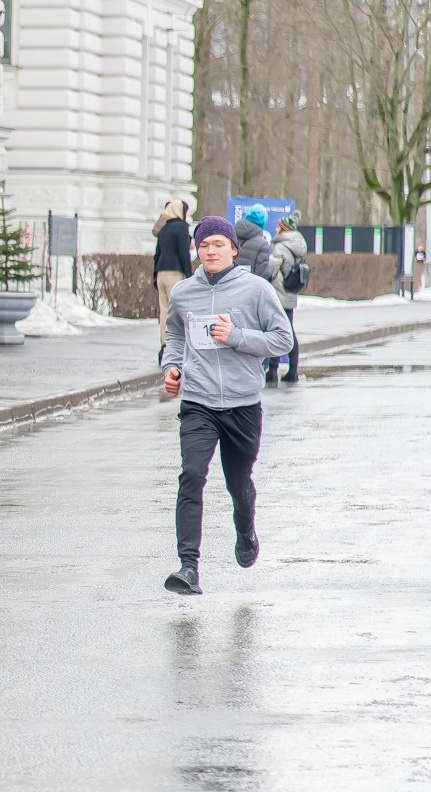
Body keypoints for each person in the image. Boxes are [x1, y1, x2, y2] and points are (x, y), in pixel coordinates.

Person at [161, 216, 293, 595]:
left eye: (218, 244)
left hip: (242, 404)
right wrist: (172, 367)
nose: (210, 252)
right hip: (198, 402)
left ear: (233, 249)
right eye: (203, 246)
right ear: (196, 251)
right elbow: (174, 333)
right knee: (191, 475)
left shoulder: (255, 290)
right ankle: (188, 567)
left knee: (239, 486)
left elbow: (282, 339)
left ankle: (245, 529)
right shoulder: (184, 292)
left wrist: (236, 336)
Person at [266, 211, 306, 383]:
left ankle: (273, 370)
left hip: (279, 293)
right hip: (290, 293)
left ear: (283, 229)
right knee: (289, 330)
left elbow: (273, 271)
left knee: (278, 331)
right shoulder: (297, 245)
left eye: (278, 226)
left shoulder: (280, 247)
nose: (275, 229)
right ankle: (293, 369)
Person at [153, 200, 192, 364]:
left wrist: (154, 276)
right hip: (175, 273)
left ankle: (164, 346)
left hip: (161, 273)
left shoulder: (163, 228)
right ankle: (177, 349)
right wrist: (189, 275)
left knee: (164, 313)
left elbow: (157, 253)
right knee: (178, 312)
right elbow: (184, 254)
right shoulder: (181, 227)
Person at [234, 205, 272, 279]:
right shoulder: (262, 244)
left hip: (229, 285)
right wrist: (272, 265)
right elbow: (263, 275)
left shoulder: (231, 235)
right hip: (248, 287)